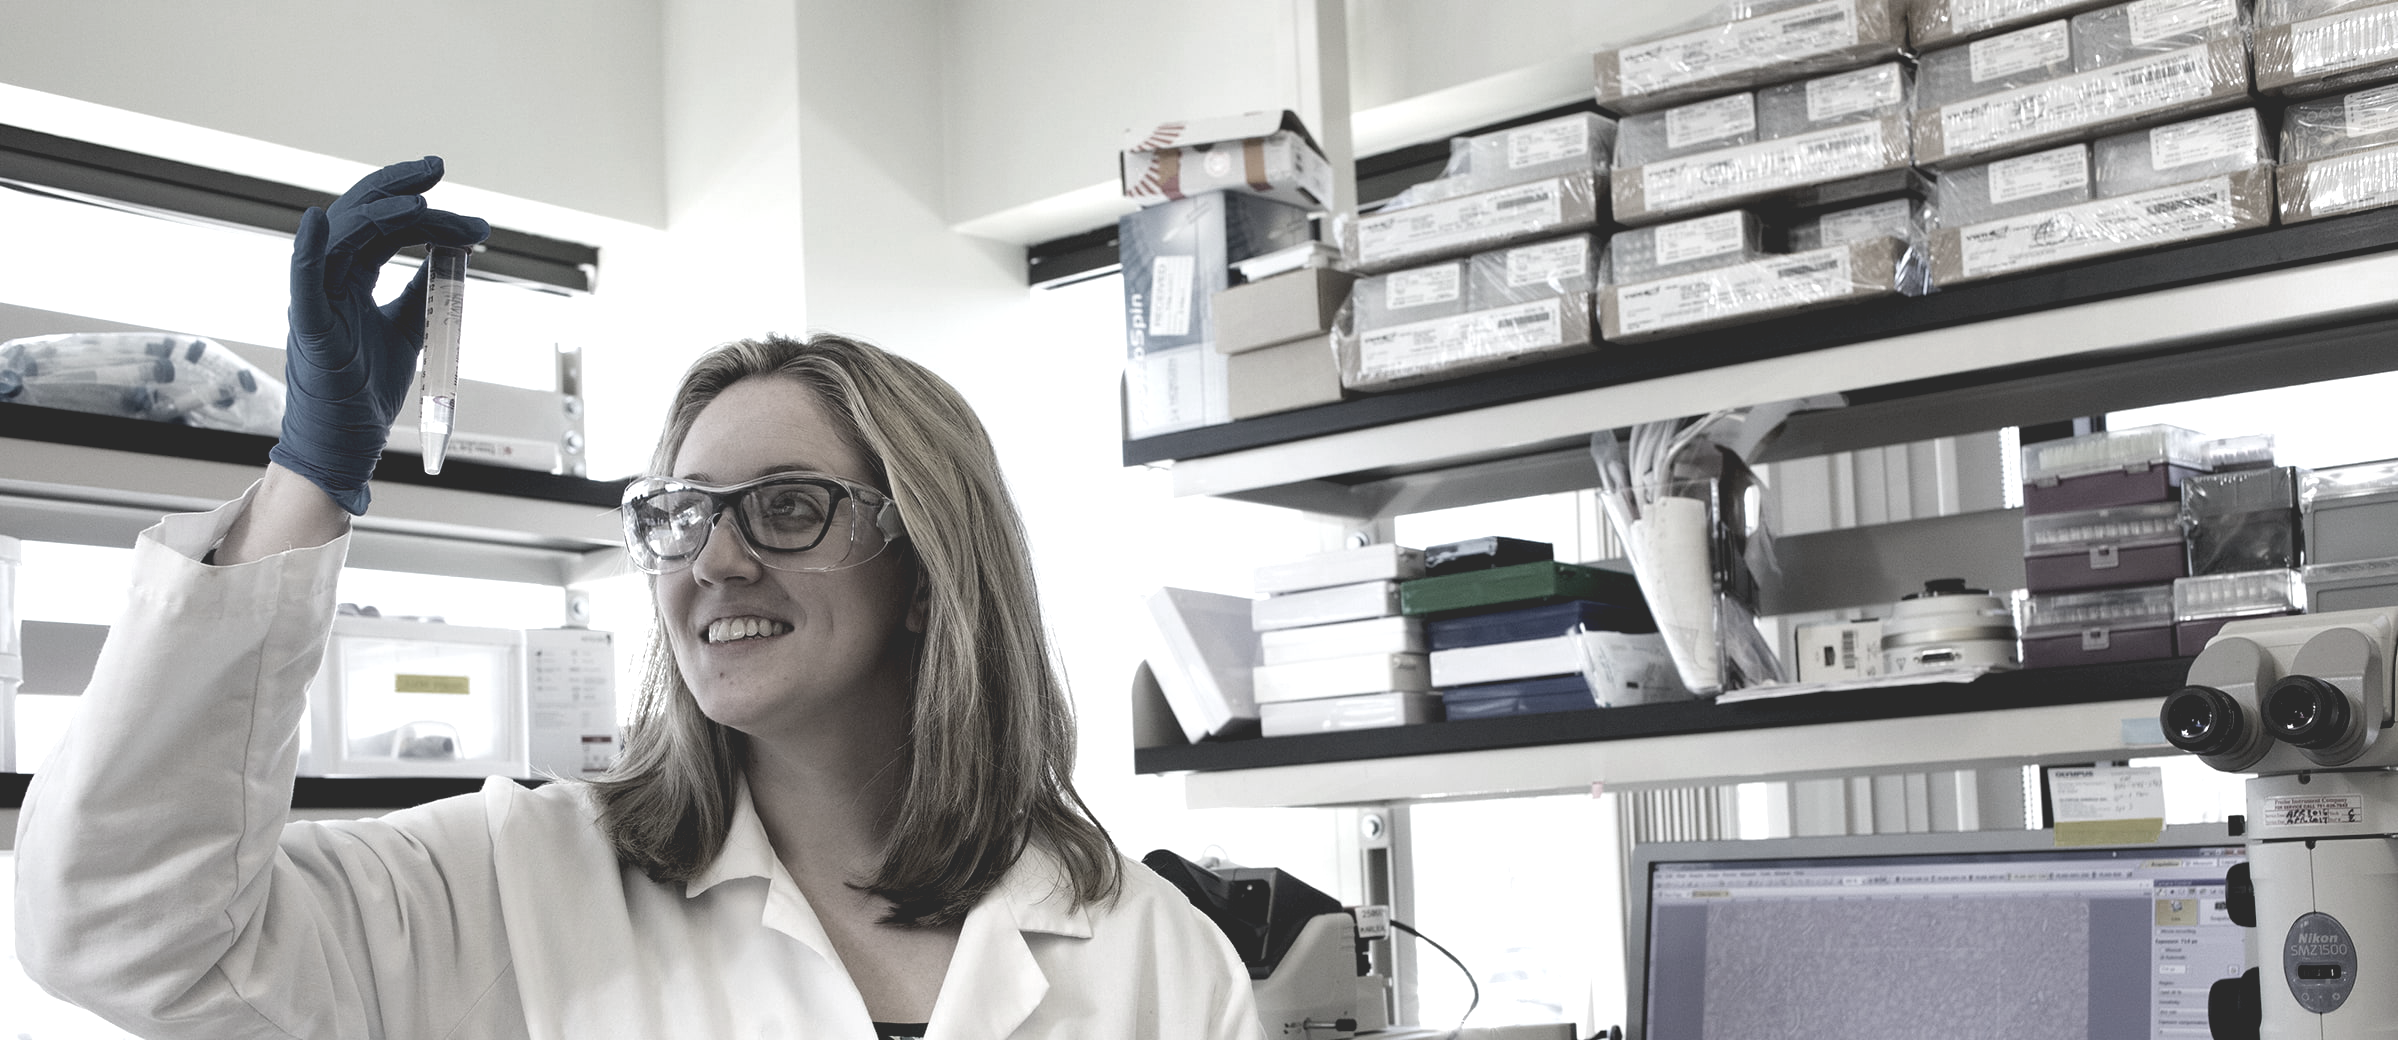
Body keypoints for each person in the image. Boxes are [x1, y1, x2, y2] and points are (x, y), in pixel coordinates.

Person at [13, 158, 1264, 1040]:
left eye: (784, 506)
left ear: (930, 561)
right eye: (676, 514)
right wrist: (309, 475)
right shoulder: (510, 883)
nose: (712, 560)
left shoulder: (1151, 952)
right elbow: (127, 933)